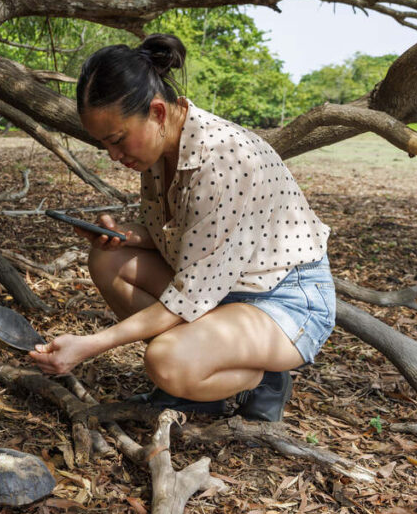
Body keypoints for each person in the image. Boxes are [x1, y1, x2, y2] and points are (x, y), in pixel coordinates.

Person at [29, 34, 335, 422]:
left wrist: (89, 345)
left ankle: (262, 380)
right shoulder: (161, 148)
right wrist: (128, 235)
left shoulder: (221, 159)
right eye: (103, 145)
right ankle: (198, 390)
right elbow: (183, 236)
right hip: (221, 289)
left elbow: (189, 296)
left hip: (282, 299)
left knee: (166, 361)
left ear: (157, 112)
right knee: (109, 260)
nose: (114, 156)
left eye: (118, 140)